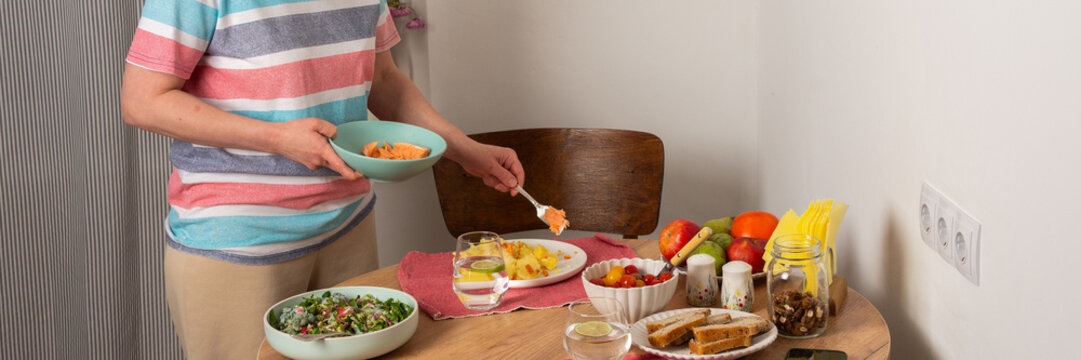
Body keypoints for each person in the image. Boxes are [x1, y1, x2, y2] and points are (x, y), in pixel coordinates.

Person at [119, 1, 524, 358]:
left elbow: (383, 81)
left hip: (348, 227)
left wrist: (464, 151)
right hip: (240, 242)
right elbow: (142, 101)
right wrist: (279, 139)